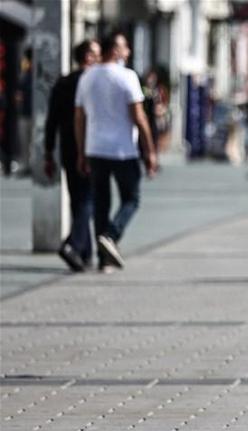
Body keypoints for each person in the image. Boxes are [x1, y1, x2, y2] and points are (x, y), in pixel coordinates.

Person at [75, 31, 157, 272]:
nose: (128, 51)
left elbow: (79, 118)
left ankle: (104, 259)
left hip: (95, 148)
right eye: (125, 47)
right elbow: (139, 117)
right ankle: (111, 235)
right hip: (123, 150)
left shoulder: (87, 77)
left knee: (101, 202)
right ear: (114, 50)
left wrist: (81, 151)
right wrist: (150, 151)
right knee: (132, 199)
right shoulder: (127, 76)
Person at [44, 39, 101, 272]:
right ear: (87, 57)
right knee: (88, 199)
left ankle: (84, 253)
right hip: (89, 146)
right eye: (96, 54)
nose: (99, 59)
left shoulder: (63, 82)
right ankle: (73, 244)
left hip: (67, 147)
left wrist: (48, 152)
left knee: (78, 198)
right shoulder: (91, 82)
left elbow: (51, 120)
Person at [15, 48, 33, 177]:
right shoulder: (25, 75)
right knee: (25, 142)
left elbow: (18, 96)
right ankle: (26, 165)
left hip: (30, 114)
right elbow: (19, 95)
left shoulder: (28, 75)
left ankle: (29, 165)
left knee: (28, 142)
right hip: (26, 114)